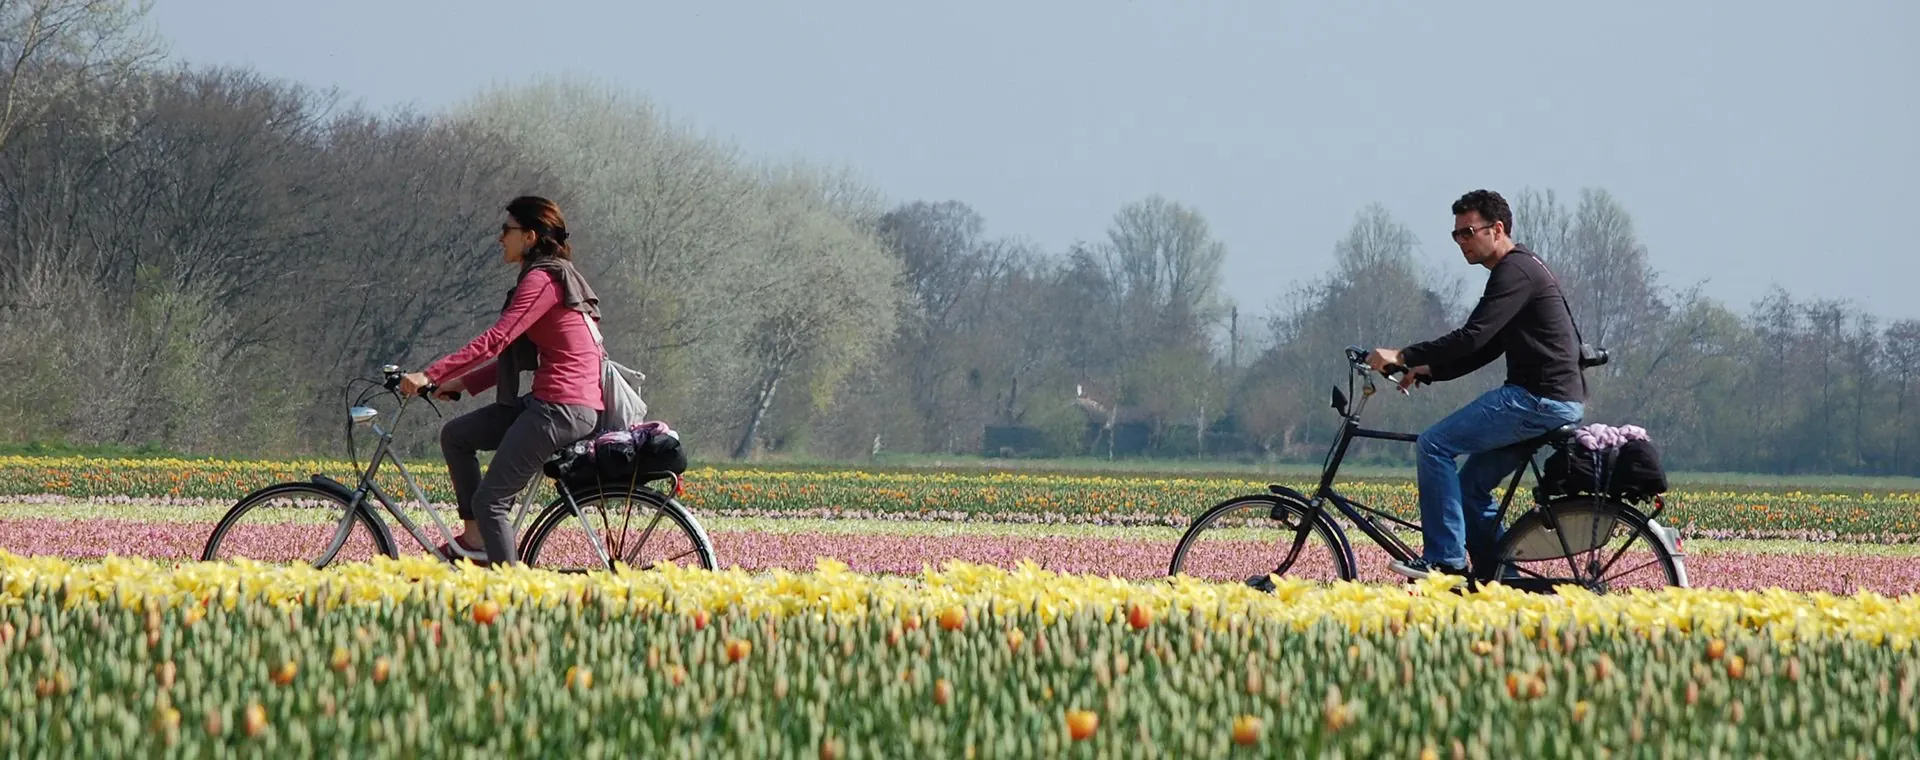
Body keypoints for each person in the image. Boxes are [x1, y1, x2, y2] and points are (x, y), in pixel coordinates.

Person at [1364, 189, 1586, 580]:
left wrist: (1404, 355)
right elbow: (1487, 348)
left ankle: (1445, 559)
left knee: (1434, 445)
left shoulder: (1514, 271)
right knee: (1469, 490)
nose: (1461, 242)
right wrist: (1431, 369)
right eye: (1456, 236)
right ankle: (1503, 581)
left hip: (1537, 400)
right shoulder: (1521, 270)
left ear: (1497, 229)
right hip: (1550, 400)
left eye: (1467, 232)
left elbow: (1473, 337)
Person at [397, 196, 605, 566]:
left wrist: (431, 373)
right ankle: (476, 540)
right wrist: (461, 384)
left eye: (505, 230)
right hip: (552, 403)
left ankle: (509, 597)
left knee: (491, 501)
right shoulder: (548, 276)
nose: (499, 239)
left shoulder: (542, 280)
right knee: (456, 435)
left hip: (561, 409)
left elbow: (497, 341)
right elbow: (516, 355)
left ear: (529, 236)